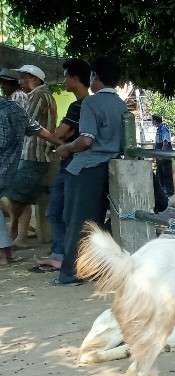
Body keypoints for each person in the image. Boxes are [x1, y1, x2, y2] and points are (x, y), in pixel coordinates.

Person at [53, 56, 128, 285]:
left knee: (75, 221)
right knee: (99, 221)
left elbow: (86, 140)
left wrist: (66, 147)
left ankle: (69, 274)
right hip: (113, 167)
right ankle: (95, 268)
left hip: (87, 168)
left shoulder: (90, 104)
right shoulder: (122, 105)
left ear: (95, 77)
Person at [33, 59, 91, 272]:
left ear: (74, 78)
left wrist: (37, 130)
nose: (64, 80)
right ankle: (63, 254)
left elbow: (59, 134)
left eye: (66, 76)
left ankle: (62, 256)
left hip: (72, 165)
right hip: (78, 165)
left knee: (58, 211)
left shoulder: (79, 105)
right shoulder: (88, 104)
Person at [0, 91, 60, 265]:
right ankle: (7, 253)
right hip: (9, 169)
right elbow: (41, 131)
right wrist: (63, 145)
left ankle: (4, 255)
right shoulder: (16, 111)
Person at [6, 64, 57, 248]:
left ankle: (11, 233)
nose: (19, 81)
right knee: (21, 197)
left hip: (32, 154)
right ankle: (20, 236)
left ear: (34, 79)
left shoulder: (37, 95)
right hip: (34, 153)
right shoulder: (43, 95)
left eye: (23, 77)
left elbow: (27, 124)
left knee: (16, 197)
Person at [152, 114, 174, 204]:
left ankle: (169, 191)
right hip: (159, 152)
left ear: (156, 120)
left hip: (164, 153)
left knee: (166, 172)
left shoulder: (163, 127)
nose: (151, 122)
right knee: (160, 172)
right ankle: (162, 191)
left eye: (152, 120)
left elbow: (165, 141)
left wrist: (162, 153)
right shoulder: (159, 129)